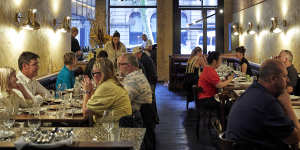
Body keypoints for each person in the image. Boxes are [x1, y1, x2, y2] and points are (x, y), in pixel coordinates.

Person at [226, 59, 300, 150]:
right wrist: (287, 106)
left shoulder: (251, 90)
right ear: (273, 79)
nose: (288, 80)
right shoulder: (268, 103)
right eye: (285, 76)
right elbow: (295, 138)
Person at [132, 47, 159, 123]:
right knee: (151, 100)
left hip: (151, 81)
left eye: (135, 55)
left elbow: (144, 73)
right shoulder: (145, 57)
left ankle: (153, 119)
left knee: (150, 101)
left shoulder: (143, 59)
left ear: (138, 54)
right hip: (152, 80)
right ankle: (154, 118)